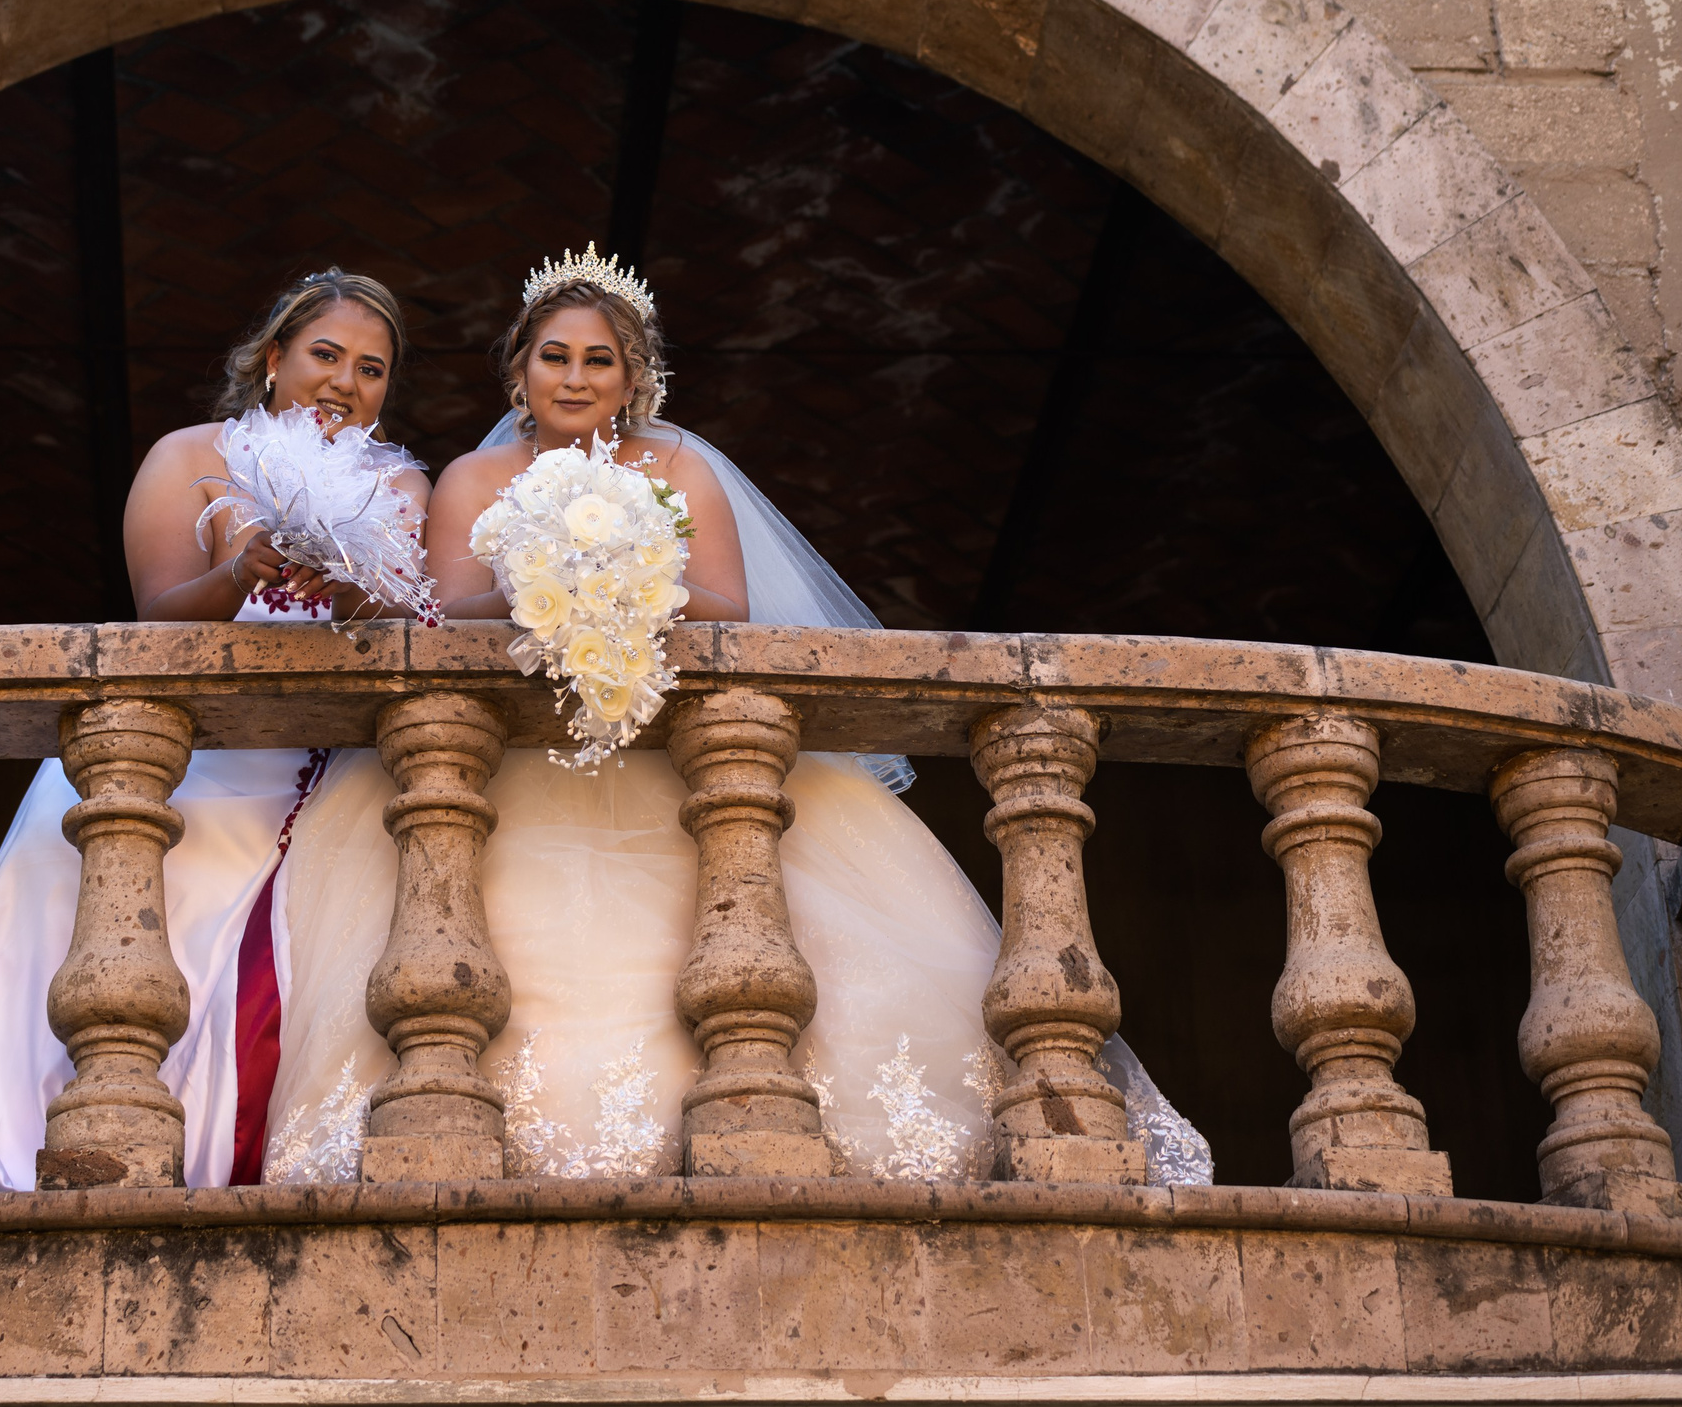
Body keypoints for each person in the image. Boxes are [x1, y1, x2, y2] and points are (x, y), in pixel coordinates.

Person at [260, 252, 1213, 1184]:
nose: (575, 376)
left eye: (600, 359)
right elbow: (448, 615)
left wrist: (625, 592)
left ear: (634, 376)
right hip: (513, 766)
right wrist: (542, 594)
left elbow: (724, 609)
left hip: (678, 758)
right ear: (519, 366)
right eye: (555, 355)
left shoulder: (681, 466)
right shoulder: (472, 478)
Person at [0, 269, 428, 1194]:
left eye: (372, 368)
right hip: (173, 763)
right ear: (273, 358)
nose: (346, 381)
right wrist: (239, 569)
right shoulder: (190, 456)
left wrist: (353, 589)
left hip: (304, 770)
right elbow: (154, 619)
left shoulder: (401, 480)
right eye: (326, 355)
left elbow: (403, 607)